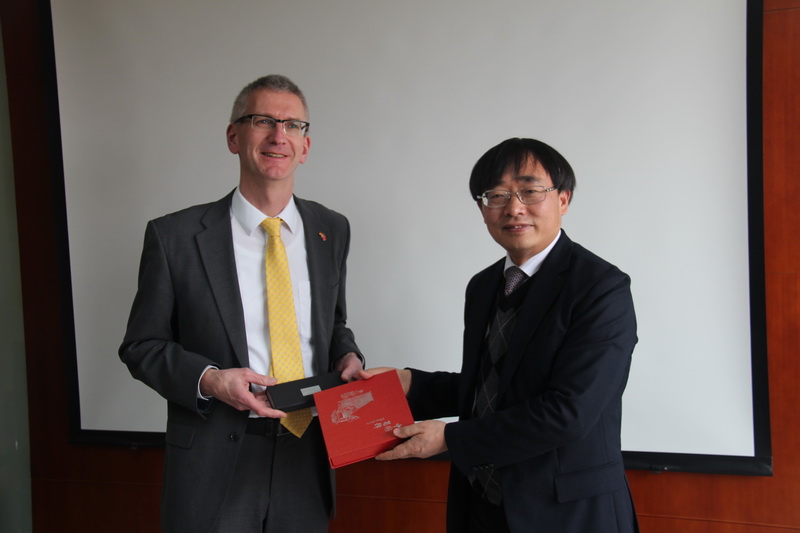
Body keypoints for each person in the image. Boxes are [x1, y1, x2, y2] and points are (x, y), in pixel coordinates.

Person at [119, 74, 363, 533]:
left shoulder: (332, 229)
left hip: (307, 450)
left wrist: (347, 354)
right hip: (215, 458)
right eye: (262, 121)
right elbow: (141, 346)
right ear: (234, 137)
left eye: (293, 125)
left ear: (305, 146)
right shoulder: (174, 237)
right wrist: (210, 380)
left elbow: (333, 324)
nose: (278, 136)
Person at [365, 138, 639, 532]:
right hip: (482, 506)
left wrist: (451, 438)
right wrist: (410, 383)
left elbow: (570, 411)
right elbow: (495, 387)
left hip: (566, 513)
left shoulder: (600, 287)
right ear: (482, 209)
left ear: (563, 199)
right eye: (496, 195)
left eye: (530, 191)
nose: (513, 208)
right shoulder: (484, 285)